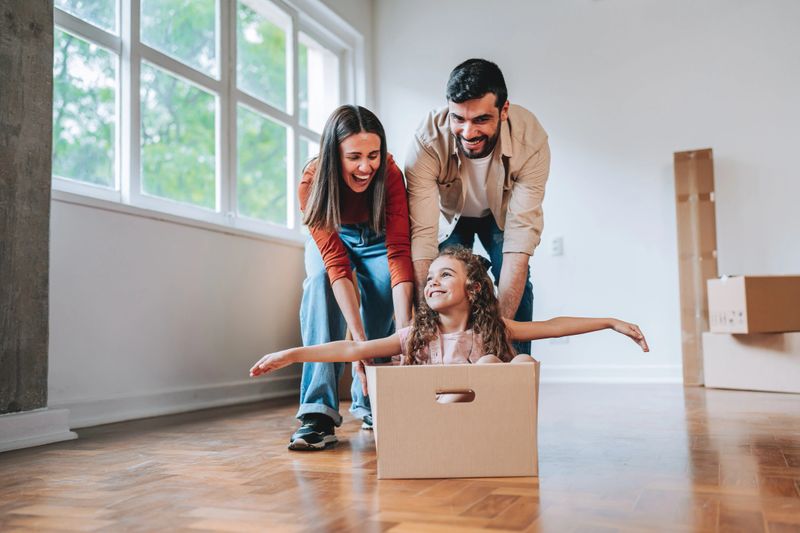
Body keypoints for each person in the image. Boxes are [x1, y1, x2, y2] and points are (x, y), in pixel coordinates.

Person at [251, 246, 649, 391]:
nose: (432, 282)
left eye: (446, 275)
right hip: (429, 418)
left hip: (478, 421)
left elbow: (554, 326)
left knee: (519, 360)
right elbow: (353, 347)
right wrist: (293, 354)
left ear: (473, 289)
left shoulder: (493, 329)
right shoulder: (413, 336)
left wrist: (610, 321)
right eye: (430, 278)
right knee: (498, 364)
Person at [405, 58, 550, 355]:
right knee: (448, 289)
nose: (468, 132)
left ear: (504, 110)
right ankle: (450, 366)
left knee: (518, 290)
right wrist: (424, 322)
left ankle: (513, 370)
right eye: (459, 119)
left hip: (499, 215)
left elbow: (519, 243)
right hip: (449, 219)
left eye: (481, 120)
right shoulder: (426, 141)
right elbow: (422, 240)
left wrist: (499, 334)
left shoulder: (531, 140)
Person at [289, 105, 414, 451]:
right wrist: (357, 346)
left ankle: (372, 398)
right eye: (354, 157)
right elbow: (336, 266)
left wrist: (405, 336)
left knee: (386, 285)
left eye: (373, 155)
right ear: (333, 155)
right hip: (333, 237)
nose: (365, 167)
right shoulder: (312, 182)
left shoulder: (388, 174)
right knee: (318, 285)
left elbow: (400, 254)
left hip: (377, 237)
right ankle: (318, 412)